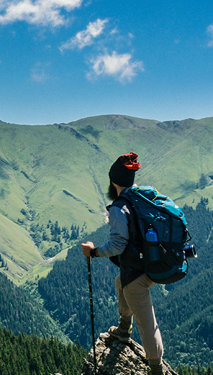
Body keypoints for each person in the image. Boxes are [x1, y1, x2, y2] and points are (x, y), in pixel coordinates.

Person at [81, 152, 165, 375]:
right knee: (121, 282)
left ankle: (156, 369)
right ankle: (123, 328)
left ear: (113, 181)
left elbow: (118, 245)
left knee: (147, 323)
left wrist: (94, 251)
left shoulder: (120, 207)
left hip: (138, 272)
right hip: (153, 262)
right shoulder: (140, 197)